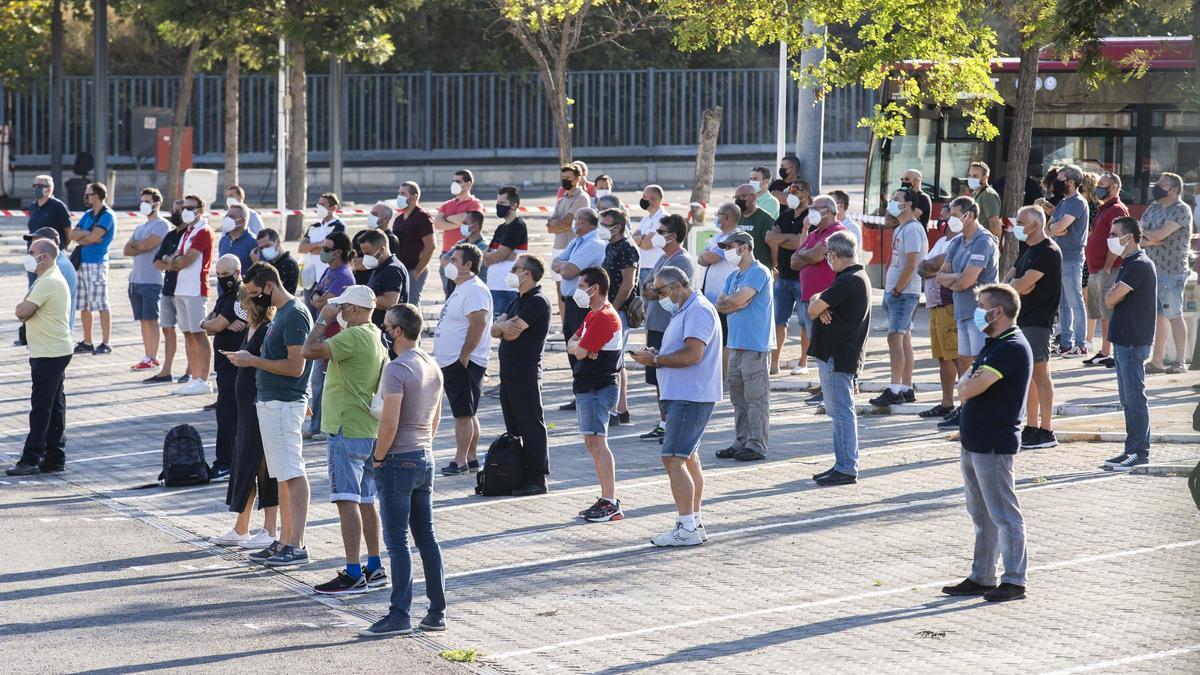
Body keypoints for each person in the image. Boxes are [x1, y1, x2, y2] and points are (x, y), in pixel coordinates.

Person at [359, 304, 446, 638]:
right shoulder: (432, 365)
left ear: (397, 331)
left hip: (399, 459)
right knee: (427, 537)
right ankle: (436, 611)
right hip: (424, 455)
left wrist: (379, 457)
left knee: (397, 542)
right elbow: (436, 418)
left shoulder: (396, 369)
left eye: (386, 325)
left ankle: (399, 614)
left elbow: (390, 420)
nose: (384, 329)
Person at [941, 283, 1031, 603]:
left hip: (993, 442)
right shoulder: (993, 343)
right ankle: (982, 576)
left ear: (998, 312)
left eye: (982, 306)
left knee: (1004, 513)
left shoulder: (1011, 347)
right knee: (981, 514)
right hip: (974, 440)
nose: (978, 311)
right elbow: (966, 381)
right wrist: (967, 383)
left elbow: (968, 387)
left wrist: (966, 384)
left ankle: (1014, 579)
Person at [302, 285, 389, 595]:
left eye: (341, 307)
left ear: (353, 309)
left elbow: (309, 351)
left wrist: (322, 320)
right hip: (367, 429)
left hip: (345, 427)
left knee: (346, 499)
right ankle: (375, 565)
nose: (337, 310)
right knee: (366, 500)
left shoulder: (352, 336)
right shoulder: (375, 335)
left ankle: (353, 571)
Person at [226, 262, 314, 567]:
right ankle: (284, 540)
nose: (252, 300)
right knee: (282, 476)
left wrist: (253, 361)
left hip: (284, 403)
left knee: (292, 472)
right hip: (273, 402)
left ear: (268, 286)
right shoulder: (282, 315)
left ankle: (296, 543)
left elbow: (296, 367)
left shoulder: (294, 313)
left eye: (253, 292)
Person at [630, 265, 722, 546]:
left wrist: (656, 361)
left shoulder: (697, 310)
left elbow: (693, 354)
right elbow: (682, 350)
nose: (657, 297)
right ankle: (693, 522)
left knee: (673, 458)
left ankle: (686, 527)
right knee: (688, 457)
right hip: (684, 394)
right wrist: (658, 354)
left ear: (677, 286)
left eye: (660, 291)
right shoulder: (685, 310)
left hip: (690, 396)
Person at [210, 285, 278, 551]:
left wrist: (247, 360)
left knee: (263, 466)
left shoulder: (266, 329)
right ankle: (242, 526)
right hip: (245, 409)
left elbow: (268, 364)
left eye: (245, 306)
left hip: (258, 406)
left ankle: (270, 528)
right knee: (244, 465)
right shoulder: (251, 328)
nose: (242, 311)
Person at [807, 231, 872, 486]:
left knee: (841, 413)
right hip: (840, 354)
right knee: (839, 412)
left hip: (839, 355)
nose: (827, 260)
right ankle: (842, 463)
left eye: (827, 256)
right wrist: (821, 305)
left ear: (833, 254)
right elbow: (817, 301)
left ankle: (846, 467)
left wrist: (820, 306)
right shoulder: (851, 277)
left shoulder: (848, 280)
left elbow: (813, 308)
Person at [8, 239, 73, 476]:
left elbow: (22, 311)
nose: (28, 255)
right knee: (54, 405)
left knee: (41, 407)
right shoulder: (47, 278)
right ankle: (55, 456)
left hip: (49, 352)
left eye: (31, 252)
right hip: (52, 350)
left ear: (44, 257)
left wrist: (23, 308)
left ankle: (31, 458)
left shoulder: (48, 281)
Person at [934, 196, 999, 428]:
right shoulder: (957, 242)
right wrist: (956, 278)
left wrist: (956, 279)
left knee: (982, 364)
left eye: (954, 215)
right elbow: (941, 277)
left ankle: (985, 410)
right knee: (964, 362)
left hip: (981, 314)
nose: (949, 219)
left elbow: (967, 281)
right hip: (961, 311)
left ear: (969, 215)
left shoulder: (983, 241)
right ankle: (968, 408)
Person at [568, 268, 626, 522]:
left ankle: (611, 501)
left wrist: (580, 347)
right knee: (591, 442)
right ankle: (606, 497)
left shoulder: (604, 317)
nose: (578, 290)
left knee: (598, 442)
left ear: (595, 288)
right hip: (587, 385)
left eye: (582, 285)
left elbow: (579, 352)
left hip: (598, 387)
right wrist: (579, 346)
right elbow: (573, 343)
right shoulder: (592, 315)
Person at [493, 254, 552, 495]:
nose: (512, 272)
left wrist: (502, 328)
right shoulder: (516, 300)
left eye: (515, 268)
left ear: (526, 273)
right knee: (515, 427)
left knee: (531, 426)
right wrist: (501, 328)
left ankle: (538, 477)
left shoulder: (537, 301)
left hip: (525, 373)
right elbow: (497, 329)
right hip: (508, 374)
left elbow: (511, 333)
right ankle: (521, 472)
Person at [1102, 217, 1158, 471]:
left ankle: (1139, 451)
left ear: (1130, 237)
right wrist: (1111, 296)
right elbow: (1110, 298)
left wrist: (1111, 295)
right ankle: (1130, 449)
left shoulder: (1139, 264)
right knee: (1127, 398)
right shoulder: (1128, 264)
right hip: (1123, 340)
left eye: (1115, 234)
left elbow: (1111, 298)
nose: (1111, 238)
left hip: (1134, 341)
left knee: (1135, 397)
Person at [433, 243, 492, 476]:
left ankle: (460, 461)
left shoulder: (474, 289)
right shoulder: (462, 287)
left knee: (463, 414)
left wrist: (465, 354)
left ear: (468, 265)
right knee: (468, 411)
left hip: (464, 362)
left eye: (454, 260)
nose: (449, 264)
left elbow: (478, 323)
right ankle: (471, 456)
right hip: (454, 361)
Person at [1006, 206, 1062, 450]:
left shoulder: (1048, 251)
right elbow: (1009, 281)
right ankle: (1031, 426)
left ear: (1036, 225)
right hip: (1021, 318)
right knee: (1027, 375)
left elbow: (1023, 283)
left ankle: (1046, 429)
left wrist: (1018, 284)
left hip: (1038, 320)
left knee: (1040, 374)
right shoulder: (1027, 249)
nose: (1016, 225)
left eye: (1020, 221)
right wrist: (1017, 284)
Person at [715, 231, 773, 462]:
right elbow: (721, 304)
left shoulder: (759, 272)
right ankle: (741, 441)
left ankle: (756, 445)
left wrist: (735, 302)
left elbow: (737, 300)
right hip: (736, 344)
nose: (727, 251)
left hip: (755, 344)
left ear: (745, 247)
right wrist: (735, 303)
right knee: (738, 398)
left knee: (756, 398)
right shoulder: (733, 276)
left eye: (731, 246)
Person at [870, 188, 928, 407]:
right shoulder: (900, 228)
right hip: (897, 292)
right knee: (904, 340)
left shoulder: (913, 229)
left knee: (894, 339)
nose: (892, 203)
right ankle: (906, 387)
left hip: (903, 293)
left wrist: (897, 290)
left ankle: (894, 389)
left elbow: (912, 264)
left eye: (897, 200)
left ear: (909, 204)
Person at [639, 214, 694, 442]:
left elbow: (658, 290)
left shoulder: (681, 261)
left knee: (669, 376)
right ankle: (663, 423)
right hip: (655, 324)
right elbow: (647, 287)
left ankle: (673, 424)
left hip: (669, 326)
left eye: (661, 232)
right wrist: (653, 289)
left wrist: (653, 289)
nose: (656, 236)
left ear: (672, 236)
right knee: (657, 379)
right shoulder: (662, 258)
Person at [789, 194, 848, 389]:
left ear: (829, 211)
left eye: (816, 208)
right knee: (819, 347)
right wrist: (807, 253)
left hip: (827, 301)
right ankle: (826, 386)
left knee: (830, 346)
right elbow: (794, 261)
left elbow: (814, 256)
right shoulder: (814, 234)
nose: (811, 211)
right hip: (808, 299)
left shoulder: (837, 233)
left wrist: (807, 255)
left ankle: (834, 387)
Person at [552, 207, 608, 406]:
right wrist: (563, 265)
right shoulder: (577, 241)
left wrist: (563, 266)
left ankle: (586, 392)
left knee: (581, 347)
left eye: (576, 220)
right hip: (570, 302)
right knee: (571, 345)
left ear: (583, 222)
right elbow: (556, 263)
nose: (574, 223)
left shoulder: (593, 244)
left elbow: (567, 271)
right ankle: (580, 393)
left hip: (582, 304)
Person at [1140, 172, 1194, 374]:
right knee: (1158, 316)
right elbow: (1139, 232)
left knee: (1173, 314)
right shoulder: (1153, 207)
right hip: (1150, 269)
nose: (1157, 186)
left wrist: (1152, 237)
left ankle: (1180, 362)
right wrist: (1151, 239)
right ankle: (1157, 361)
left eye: (1163, 184)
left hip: (1171, 272)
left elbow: (1159, 234)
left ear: (1175, 190)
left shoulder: (1181, 209)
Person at [305, 232, 356, 440]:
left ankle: (328, 426)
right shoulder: (329, 270)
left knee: (329, 383)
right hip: (322, 331)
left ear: (338, 252)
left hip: (334, 334)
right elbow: (316, 296)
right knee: (317, 382)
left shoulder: (344, 275)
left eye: (326, 249)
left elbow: (328, 303)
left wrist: (320, 299)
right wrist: (320, 299)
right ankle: (317, 424)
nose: (322, 251)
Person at [164, 194, 215, 396]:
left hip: (195, 289)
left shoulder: (203, 231)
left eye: (190, 207)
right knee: (187, 334)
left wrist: (175, 261)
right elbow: (173, 258)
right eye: (184, 207)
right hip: (181, 287)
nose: (185, 211)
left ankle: (204, 378)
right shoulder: (187, 232)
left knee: (198, 334)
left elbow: (184, 261)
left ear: (200, 210)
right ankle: (194, 377)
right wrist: (175, 260)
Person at [200, 254, 246, 479]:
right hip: (224, 364)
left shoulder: (240, 296)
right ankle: (229, 460)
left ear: (238, 272)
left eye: (225, 275)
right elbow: (210, 325)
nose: (221, 279)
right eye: (217, 275)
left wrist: (218, 324)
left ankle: (226, 462)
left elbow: (215, 323)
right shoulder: (225, 296)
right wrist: (217, 325)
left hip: (235, 363)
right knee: (227, 412)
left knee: (228, 414)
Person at [916, 219, 962, 420]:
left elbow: (935, 264)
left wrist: (932, 269)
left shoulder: (959, 241)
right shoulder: (942, 240)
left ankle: (966, 404)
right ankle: (947, 403)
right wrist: (932, 269)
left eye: (952, 213)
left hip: (948, 304)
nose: (946, 218)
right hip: (934, 305)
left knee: (958, 357)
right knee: (943, 357)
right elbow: (922, 267)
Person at [18, 176, 73, 347]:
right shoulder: (33, 206)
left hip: (48, 258)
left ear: (49, 188)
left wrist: (57, 251)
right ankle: (29, 334)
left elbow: (68, 231)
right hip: (34, 259)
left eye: (40, 185)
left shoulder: (57, 206)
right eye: (34, 185)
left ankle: (57, 336)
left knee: (49, 297)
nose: (36, 188)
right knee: (33, 294)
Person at [1082, 171, 1128, 367]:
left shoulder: (1117, 209)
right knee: (1100, 313)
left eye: (1104, 185)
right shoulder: (1103, 209)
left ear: (1115, 188)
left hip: (1108, 269)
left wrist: (1108, 265)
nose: (1099, 188)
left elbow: (1118, 241)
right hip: (1095, 269)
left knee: (1109, 312)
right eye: (1098, 184)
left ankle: (1109, 352)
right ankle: (1104, 352)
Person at [764, 182, 811, 375]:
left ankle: (803, 362)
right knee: (778, 321)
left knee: (804, 322)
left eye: (796, 190)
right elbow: (768, 237)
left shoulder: (812, 218)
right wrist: (792, 238)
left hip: (802, 278)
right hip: (782, 277)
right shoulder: (785, 215)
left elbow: (804, 243)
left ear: (806, 194)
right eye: (789, 190)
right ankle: (774, 363)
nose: (791, 193)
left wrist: (783, 238)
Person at [1046, 164, 1091, 356]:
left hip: (1072, 257)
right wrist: (1056, 228)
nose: (1057, 182)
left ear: (1071, 182)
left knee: (1075, 301)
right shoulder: (1064, 203)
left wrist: (1057, 228)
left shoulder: (1077, 202)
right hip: (1060, 256)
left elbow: (1057, 227)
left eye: (1061, 179)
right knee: (1063, 304)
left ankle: (1080, 344)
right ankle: (1066, 342)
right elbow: (1050, 228)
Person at [600, 208, 639, 425]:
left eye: (605, 224)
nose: (602, 228)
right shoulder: (611, 246)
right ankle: (621, 409)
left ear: (618, 227)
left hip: (620, 312)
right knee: (617, 361)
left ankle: (616, 410)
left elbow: (628, 282)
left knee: (614, 359)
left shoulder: (627, 248)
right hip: (612, 309)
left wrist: (612, 309)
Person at [123, 187, 168, 371]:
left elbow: (145, 244)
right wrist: (139, 246)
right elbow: (126, 250)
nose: (144, 204)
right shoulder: (140, 227)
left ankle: (153, 357)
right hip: (136, 280)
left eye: (147, 201)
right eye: (142, 201)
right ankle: (147, 355)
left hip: (152, 280)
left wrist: (139, 246)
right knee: (143, 320)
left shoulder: (162, 224)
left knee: (151, 319)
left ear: (156, 203)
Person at [69, 181, 116, 355]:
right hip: (82, 262)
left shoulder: (108, 216)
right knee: (84, 305)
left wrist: (85, 236)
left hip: (97, 263)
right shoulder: (88, 214)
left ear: (96, 196)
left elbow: (93, 237)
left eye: (88, 194)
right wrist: (87, 236)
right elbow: (72, 234)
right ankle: (87, 341)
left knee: (101, 304)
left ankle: (105, 342)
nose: (85, 197)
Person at [145, 201, 188, 384]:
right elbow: (156, 262)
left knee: (189, 332)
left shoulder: (190, 235)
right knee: (168, 330)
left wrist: (169, 262)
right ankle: (166, 370)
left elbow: (183, 262)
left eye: (177, 210)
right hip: (168, 289)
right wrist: (170, 262)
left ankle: (191, 370)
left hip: (185, 290)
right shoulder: (171, 235)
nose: (174, 213)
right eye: (173, 210)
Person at [698, 203, 742, 372]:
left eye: (719, 213)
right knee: (713, 338)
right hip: (710, 297)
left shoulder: (735, 238)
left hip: (725, 297)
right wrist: (707, 256)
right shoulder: (718, 237)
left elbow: (710, 257)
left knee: (725, 339)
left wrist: (707, 255)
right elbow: (702, 259)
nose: (716, 216)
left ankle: (725, 377)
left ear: (728, 218)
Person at [547, 164, 591, 311]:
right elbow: (550, 226)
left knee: (572, 289)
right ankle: (564, 325)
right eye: (563, 177)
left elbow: (568, 221)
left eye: (569, 178)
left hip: (572, 248)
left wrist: (561, 224)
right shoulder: (562, 199)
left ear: (578, 179)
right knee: (560, 291)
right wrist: (563, 224)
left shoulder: (582, 198)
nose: (565, 180)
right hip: (558, 247)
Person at [434, 169, 484, 296]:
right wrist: (458, 220)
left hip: (465, 256)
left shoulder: (475, 203)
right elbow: (438, 223)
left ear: (468, 184)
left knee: (467, 293)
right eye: (453, 181)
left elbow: (470, 219)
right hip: (447, 255)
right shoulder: (447, 204)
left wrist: (448, 218)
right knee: (449, 293)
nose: (454, 184)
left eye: (458, 181)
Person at [482, 185, 529, 316]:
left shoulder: (517, 226)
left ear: (514, 205)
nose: (498, 206)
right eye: (497, 203)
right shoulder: (501, 227)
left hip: (508, 288)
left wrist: (496, 255)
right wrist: (495, 255)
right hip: (494, 285)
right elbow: (486, 258)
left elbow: (494, 257)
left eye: (502, 203)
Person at [391, 181, 436, 305]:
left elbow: (430, 245)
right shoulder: (399, 219)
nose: (399, 196)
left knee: (411, 306)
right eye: (399, 193)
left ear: (414, 197)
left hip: (413, 270)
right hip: (401, 270)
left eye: (403, 193)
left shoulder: (422, 216)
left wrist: (418, 271)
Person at [298, 192, 346, 304]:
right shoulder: (313, 226)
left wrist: (312, 247)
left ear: (333, 207)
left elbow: (330, 250)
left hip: (327, 276)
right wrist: (319, 244)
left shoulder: (339, 226)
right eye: (318, 204)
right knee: (309, 310)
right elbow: (301, 248)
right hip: (310, 275)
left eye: (323, 204)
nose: (319, 207)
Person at [357, 229, 410, 330]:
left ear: (381, 250)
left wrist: (360, 296)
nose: (366, 257)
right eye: (364, 254)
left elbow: (390, 302)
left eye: (368, 253)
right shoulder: (380, 267)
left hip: (388, 332)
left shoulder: (392, 269)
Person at [352, 202, 402, 286]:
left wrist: (362, 262)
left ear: (386, 218)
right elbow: (351, 262)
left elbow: (380, 264)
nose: (371, 217)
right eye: (371, 213)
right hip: (357, 286)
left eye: (374, 214)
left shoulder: (391, 239)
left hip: (377, 287)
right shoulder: (360, 235)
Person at [439, 211, 487, 296]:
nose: (462, 226)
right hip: (455, 291)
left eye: (465, 223)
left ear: (475, 226)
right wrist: (458, 266)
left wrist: (452, 266)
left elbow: (470, 268)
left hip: (473, 293)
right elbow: (444, 259)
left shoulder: (484, 246)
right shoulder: (460, 243)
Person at [734, 183, 776, 271]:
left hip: (759, 270)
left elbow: (774, 246)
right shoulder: (737, 217)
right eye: (736, 197)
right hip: (740, 270)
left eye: (742, 196)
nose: (738, 200)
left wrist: (772, 266)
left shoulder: (764, 219)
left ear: (753, 197)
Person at [633, 184, 668, 287]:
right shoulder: (646, 219)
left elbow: (647, 245)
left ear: (653, 200)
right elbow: (632, 239)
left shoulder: (663, 218)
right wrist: (644, 237)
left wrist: (641, 238)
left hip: (654, 269)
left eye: (644, 197)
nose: (642, 199)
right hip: (642, 267)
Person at [254, 228, 299, 294]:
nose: (264, 250)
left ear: (277, 242)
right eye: (262, 248)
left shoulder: (289, 263)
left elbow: (273, 289)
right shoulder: (271, 262)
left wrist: (257, 265)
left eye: (267, 246)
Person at [219, 202, 258, 278]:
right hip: (224, 289)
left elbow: (259, 271)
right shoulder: (223, 241)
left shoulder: (253, 242)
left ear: (243, 221)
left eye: (232, 217)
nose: (228, 219)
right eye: (227, 216)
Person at [967, 161, 1003, 238]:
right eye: (970, 175)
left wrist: (995, 244)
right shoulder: (975, 193)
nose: (971, 178)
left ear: (985, 178)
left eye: (975, 176)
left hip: (984, 241)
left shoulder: (988, 194)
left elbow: (994, 223)